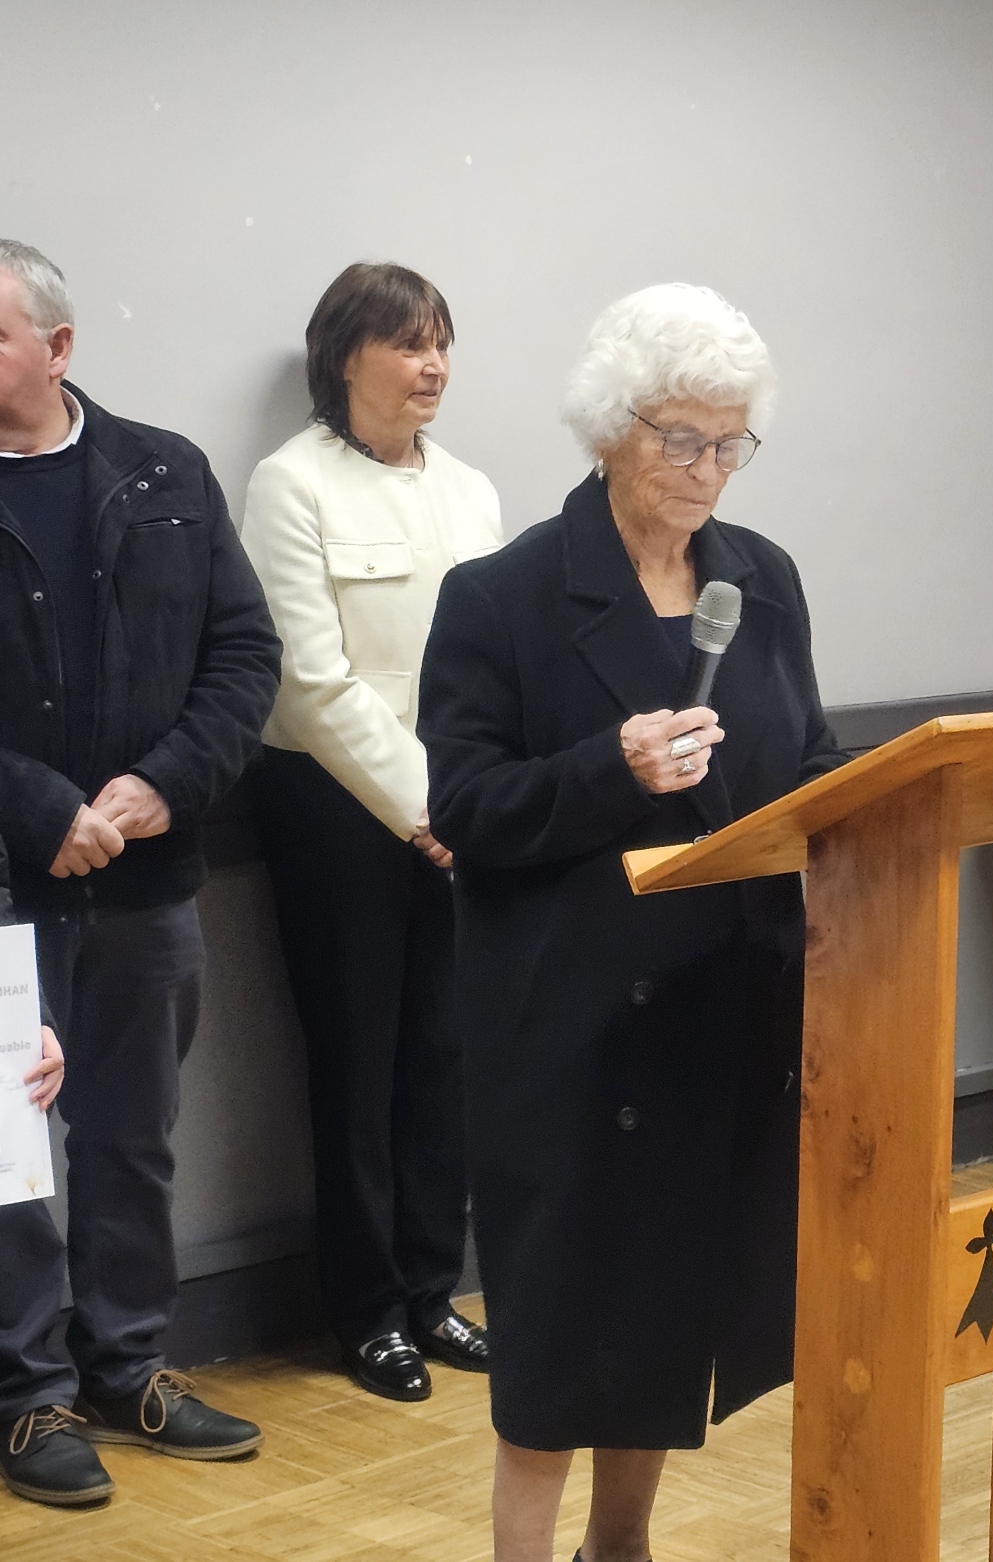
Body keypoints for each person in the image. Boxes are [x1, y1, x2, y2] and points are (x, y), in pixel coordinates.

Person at [418, 283, 846, 1562]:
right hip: (572, 1022)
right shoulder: (500, 596)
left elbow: (808, 756)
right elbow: (470, 807)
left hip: (722, 1008)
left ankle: (623, 1544)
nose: (707, 470)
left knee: (668, 1308)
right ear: (610, 429)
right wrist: (611, 767)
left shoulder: (761, 578)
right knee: (562, 1316)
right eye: (680, 439)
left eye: (730, 443)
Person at [0, 239, 279, 1507]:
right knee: (13, 1151)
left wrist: (168, 780)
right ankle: (27, 1395)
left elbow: (242, 654)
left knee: (132, 1139)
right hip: (9, 889)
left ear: (58, 349)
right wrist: (37, 807)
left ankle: (128, 1363)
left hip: (148, 884)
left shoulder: (166, 470)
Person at [241, 263, 504, 1402]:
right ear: (345, 355)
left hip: (459, 810)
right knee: (358, 1060)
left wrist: (471, 803)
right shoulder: (289, 484)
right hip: (338, 812)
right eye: (406, 342)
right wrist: (426, 806)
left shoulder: (473, 491)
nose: (432, 364)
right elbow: (309, 683)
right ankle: (365, 1311)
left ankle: (430, 1289)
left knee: (443, 1057)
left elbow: (489, 667)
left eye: (441, 341)